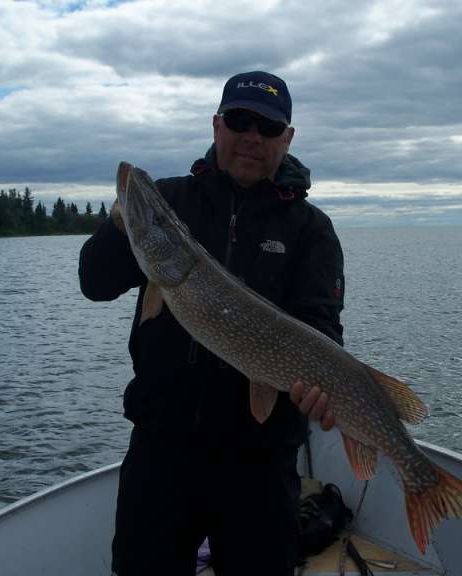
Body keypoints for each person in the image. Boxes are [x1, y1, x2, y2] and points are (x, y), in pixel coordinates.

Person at [79, 70, 345, 575]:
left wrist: (320, 392)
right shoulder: (170, 204)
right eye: (240, 121)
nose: (252, 137)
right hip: (162, 451)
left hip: (261, 464)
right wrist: (118, 227)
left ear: (287, 138)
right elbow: (94, 283)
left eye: (268, 127)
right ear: (217, 126)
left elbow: (321, 328)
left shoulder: (311, 230)